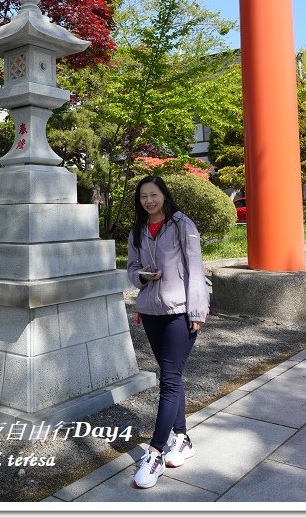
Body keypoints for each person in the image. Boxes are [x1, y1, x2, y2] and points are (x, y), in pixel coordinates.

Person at [127, 175, 209, 489]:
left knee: (170, 379)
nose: (148, 201)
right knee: (170, 374)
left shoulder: (180, 224)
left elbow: (195, 268)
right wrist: (143, 277)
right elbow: (132, 268)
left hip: (180, 310)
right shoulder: (137, 230)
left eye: (153, 194)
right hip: (151, 311)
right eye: (143, 196)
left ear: (164, 195)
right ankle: (183, 440)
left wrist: (197, 311)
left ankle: (156, 451)